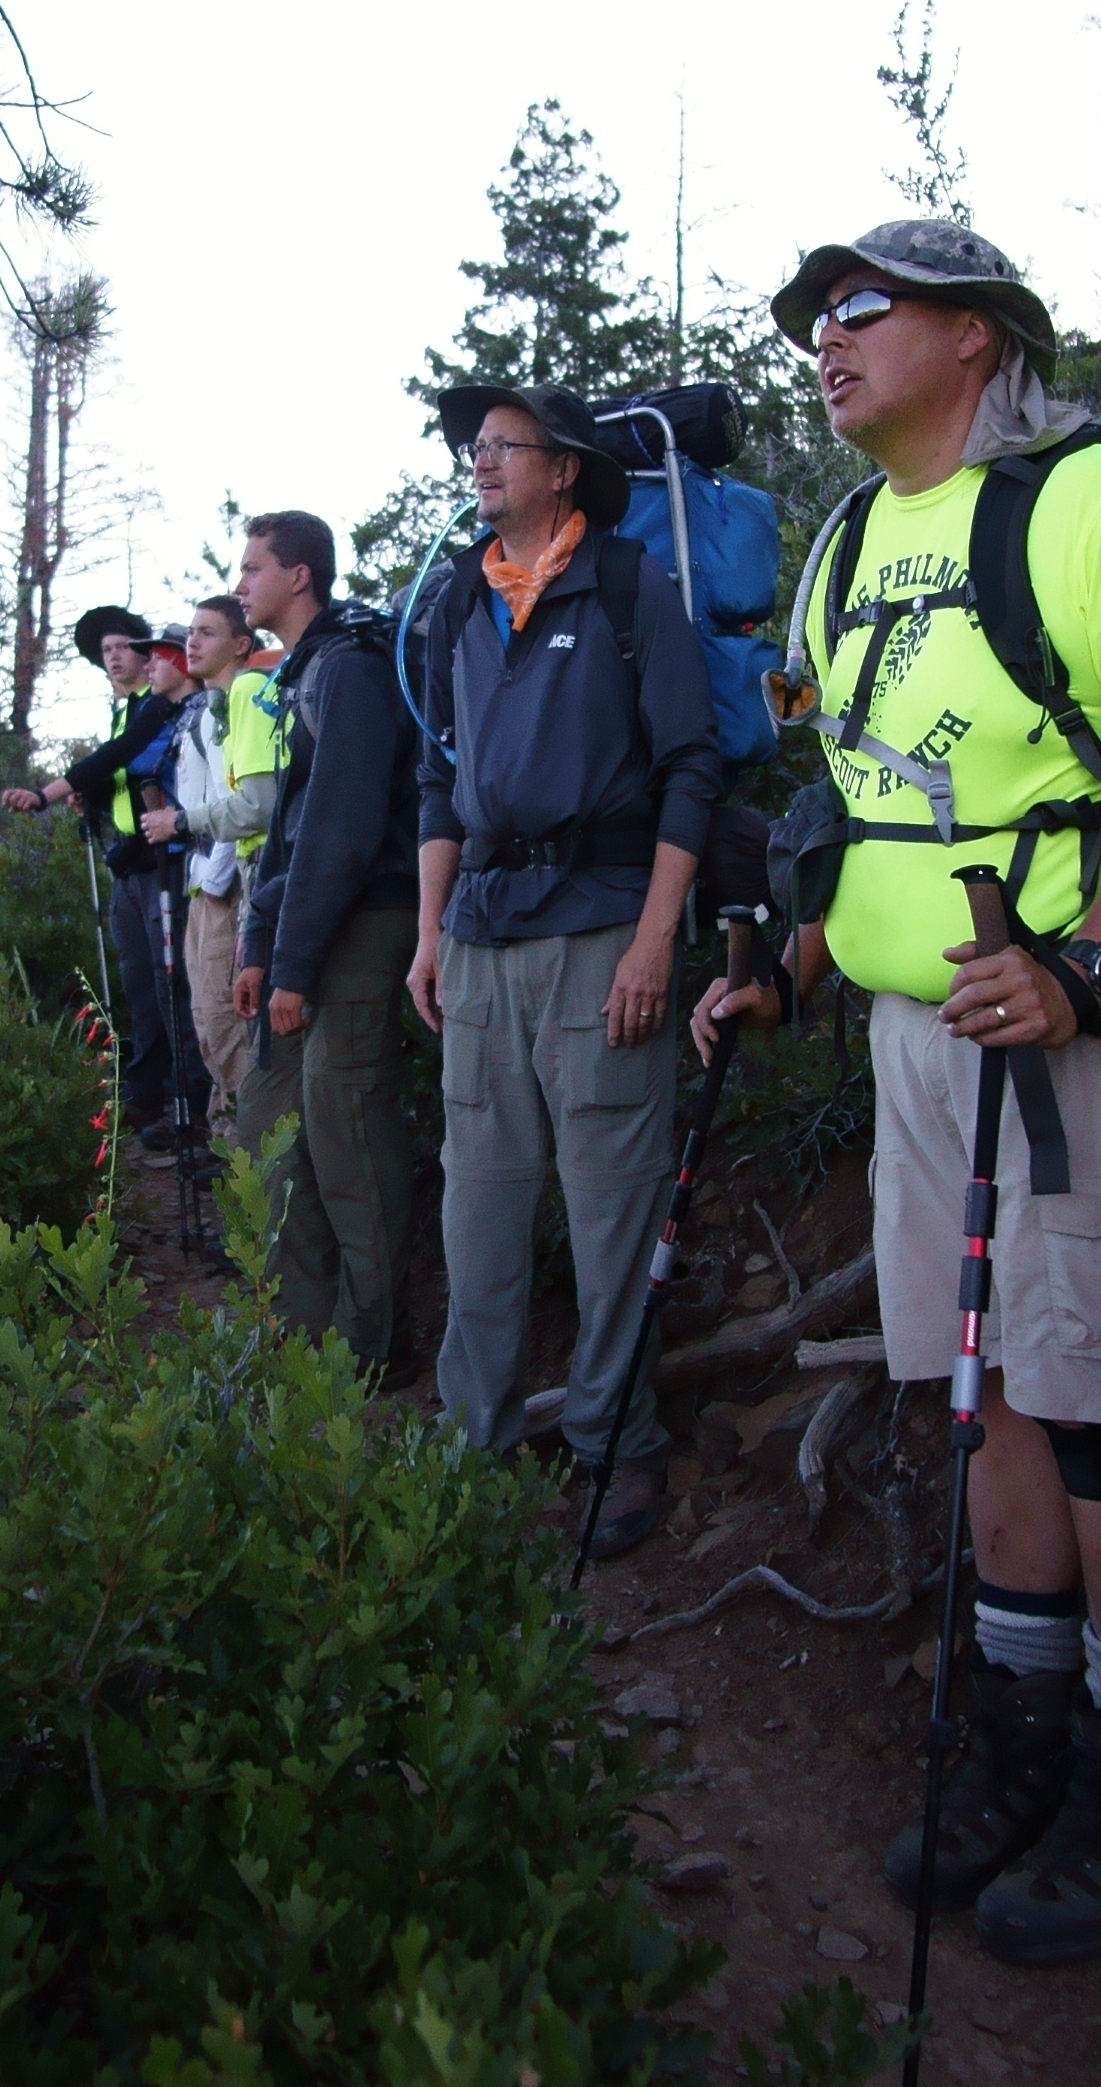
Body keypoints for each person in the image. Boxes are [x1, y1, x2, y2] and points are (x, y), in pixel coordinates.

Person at [695, 216, 1101, 1965]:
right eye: (813, 316)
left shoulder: (1091, 505)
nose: (825, 337)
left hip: (1079, 1042)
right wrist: (791, 966)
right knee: (980, 1386)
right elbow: (864, 797)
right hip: (914, 1035)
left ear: (976, 337)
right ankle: (1017, 1724)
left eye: (863, 305)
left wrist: (1086, 971)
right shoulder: (848, 540)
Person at [406, 382, 720, 1557]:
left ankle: (616, 1443)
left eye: (504, 444)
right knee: (478, 1208)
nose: (480, 461)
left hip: (602, 931)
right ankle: (473, 1447)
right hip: (481, 935)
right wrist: (430, 933)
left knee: (612, 1207)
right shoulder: (458, 598)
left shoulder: (631, 587)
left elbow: (691, 768)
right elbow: (440, 780)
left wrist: (655, 939)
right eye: (474, 446)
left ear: (565, 466)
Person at [229, 511, 422, 1372]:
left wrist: (294, 965)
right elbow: (290, 830)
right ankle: (304, 1336)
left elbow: (343, 831)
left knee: (348, 1135)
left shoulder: (350, 669)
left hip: (365, 922)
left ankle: (371, 1350)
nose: (240, 585)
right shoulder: (303, 671)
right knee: (268, 1129)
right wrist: (260, 947)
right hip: (309, 929)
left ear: (298, 575)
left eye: (253, 568)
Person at [1, 605, 195, 1150]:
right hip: (130, 859)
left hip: (166, 858)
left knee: (168, 978)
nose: (113, 658)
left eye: (122, 647)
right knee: (139, 977)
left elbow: (120, 758)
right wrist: (92, 801)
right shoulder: (125, 710)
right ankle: (147, 1088)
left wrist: (47, 794)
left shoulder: (162, 707)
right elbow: (118, 776)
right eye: (105, 651)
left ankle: (185, 1097)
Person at [142, 594, 288, 1118]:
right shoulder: (208, 710)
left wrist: (185, 832)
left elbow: (247, 805)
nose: (192, 642)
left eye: (207, 632)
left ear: (242, 645)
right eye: (191, 632)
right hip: (205, 878)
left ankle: (246, 1141)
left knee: (226, 1020)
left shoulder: (242, 697)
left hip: (227, 883)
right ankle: (230, 1134)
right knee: (208, 1019)